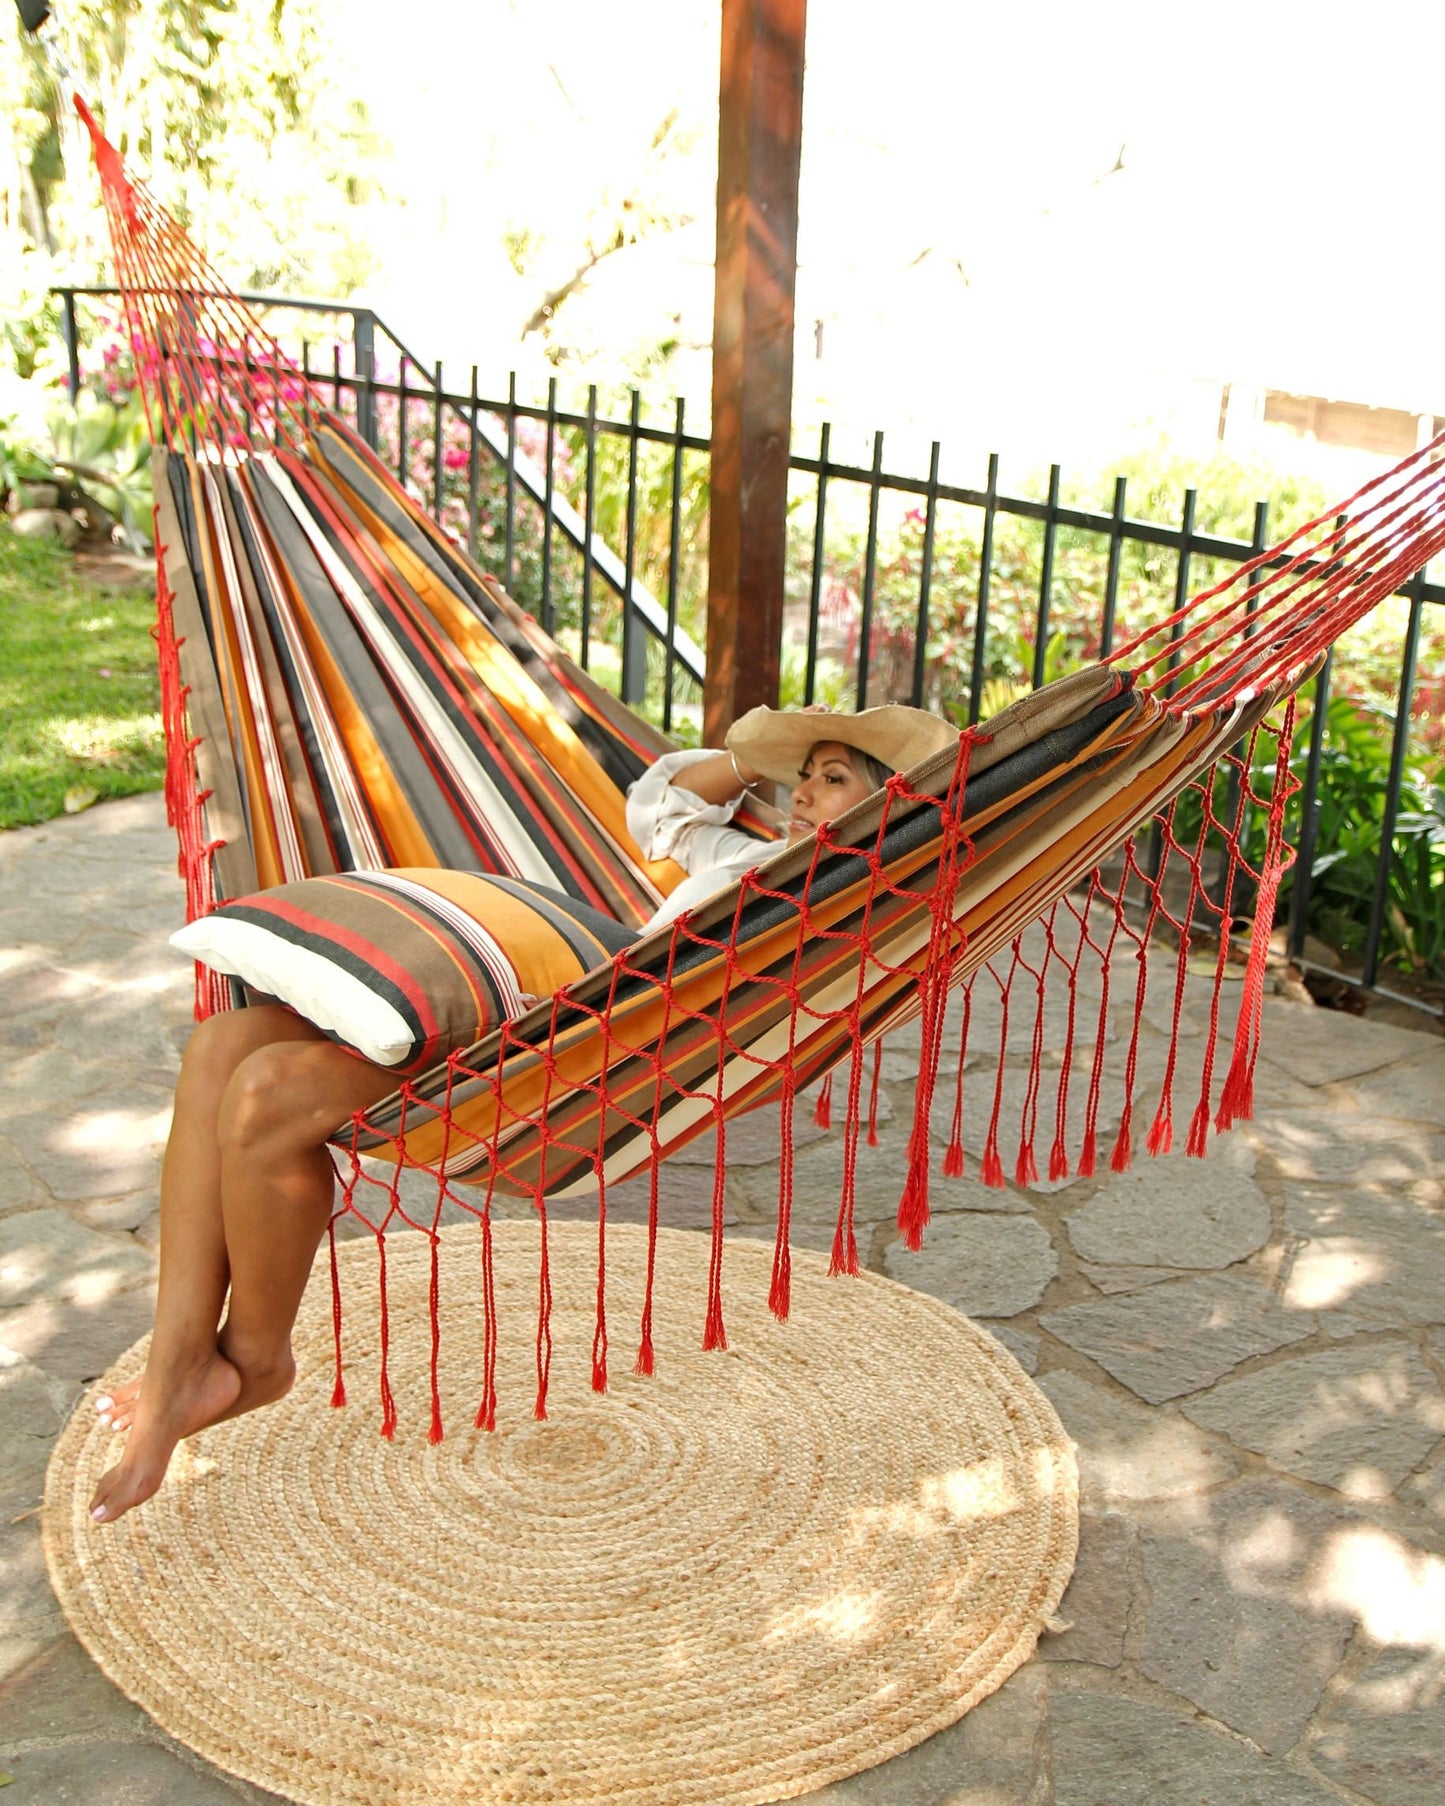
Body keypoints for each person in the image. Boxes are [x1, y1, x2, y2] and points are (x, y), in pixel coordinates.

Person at [87, 703, 956, 1524]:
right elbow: (658, 811)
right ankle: (180, 1368)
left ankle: (256, 1360)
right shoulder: (746, 861)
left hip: (593, 1074)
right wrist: (750, 761)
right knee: (224, 1044)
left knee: (271, 1092)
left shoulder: (850, 906)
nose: (801, 794)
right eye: (800, 776)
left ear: (892, 802)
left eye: (832, 776)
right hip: (537, 1030)